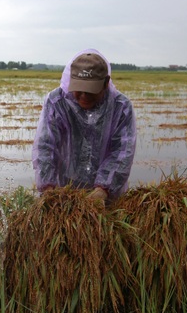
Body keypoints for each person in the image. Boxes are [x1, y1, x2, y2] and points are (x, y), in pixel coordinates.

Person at [32, 49, 136, 206]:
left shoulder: (121, 107)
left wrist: (103, 189)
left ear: (106, 83)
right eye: (79, 89)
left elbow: (122, 152)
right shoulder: (56, 102)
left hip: (109, 196)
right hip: (63, 192)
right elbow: (45, 146)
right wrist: (48, 189)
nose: (84, 96)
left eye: (91, 90)